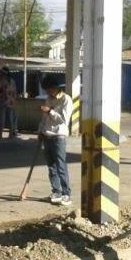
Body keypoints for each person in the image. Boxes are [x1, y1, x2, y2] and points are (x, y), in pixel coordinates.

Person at [39, 75, 73, 206]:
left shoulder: (66, 100)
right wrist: (40, 131)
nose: (48, 93)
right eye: (46, 90)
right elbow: (44, 119)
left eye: (49, 90)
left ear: (56, 88)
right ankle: (56, 191)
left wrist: (50, 111)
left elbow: (64, 120)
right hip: (47, 135)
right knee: (51, 166)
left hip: (59, 136)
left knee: (60, 165)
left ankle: (66, 194)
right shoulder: (48, 99)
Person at [0, 67, 18, 139]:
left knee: (1, 118)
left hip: (2, 101)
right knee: (10, 118)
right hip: (11, 102)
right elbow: (15, 92)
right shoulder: (12, 81)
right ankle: (10, 134)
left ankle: (0, 134)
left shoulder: (1, 81)